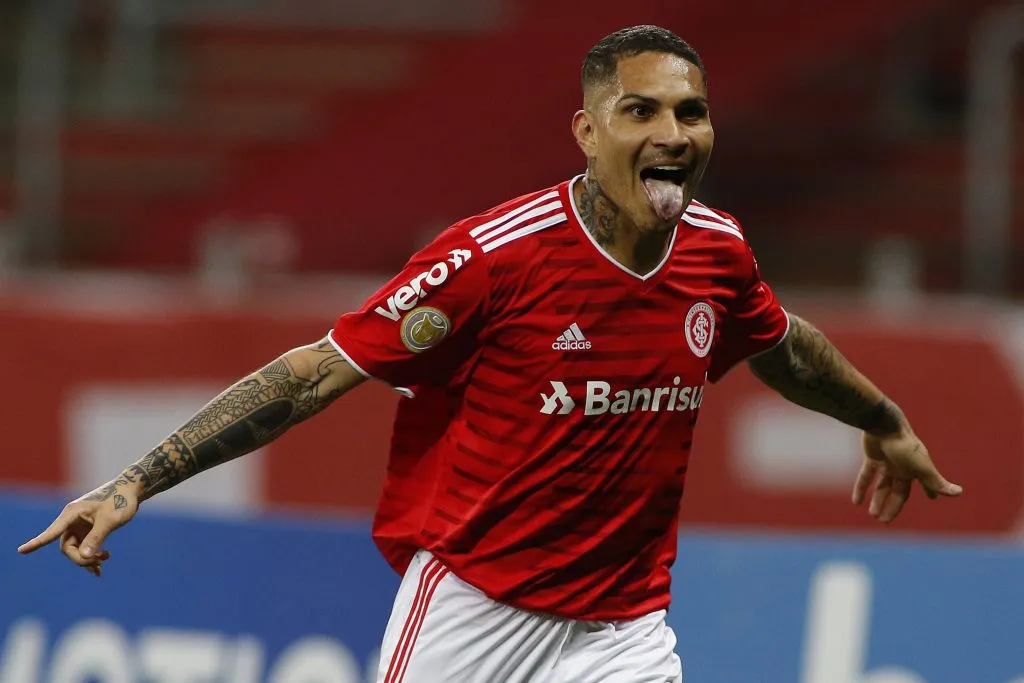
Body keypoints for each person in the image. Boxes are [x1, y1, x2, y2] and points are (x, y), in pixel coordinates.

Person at [19, 25, 961, 683]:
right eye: (641, 112)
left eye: (692, 113)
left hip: (624, 630)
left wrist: (883, 420)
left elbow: (784, 345)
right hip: (477, 613)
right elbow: (314, 373)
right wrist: (136, 480)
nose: (673, 135)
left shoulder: (718, 252)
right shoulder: (492, 259)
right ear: (589, 133)